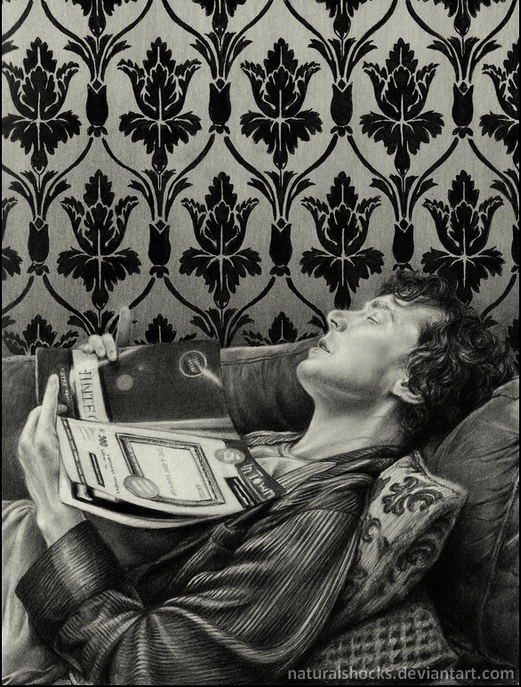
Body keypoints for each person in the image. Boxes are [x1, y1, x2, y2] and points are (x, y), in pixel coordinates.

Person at [2, 270, 515, 685]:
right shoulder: (265, 444)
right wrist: (100, 389)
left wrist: (59, 520)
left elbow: (153, 667)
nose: (336, 316)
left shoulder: (321, 517)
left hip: (21, 613)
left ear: (413, 383)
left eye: (374, 317)